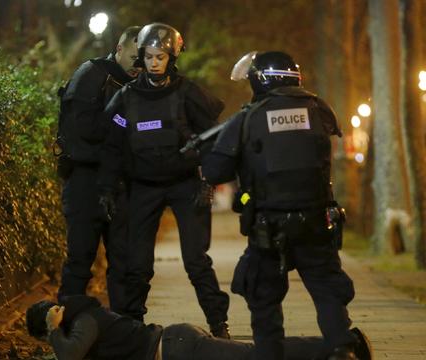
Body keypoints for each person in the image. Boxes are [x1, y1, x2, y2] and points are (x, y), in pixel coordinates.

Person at [201, 51, 359, 360]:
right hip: (317, 220)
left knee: (263, 296)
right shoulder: (319, 109)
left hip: (268, 226)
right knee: (328, 290)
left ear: (258, 81)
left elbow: (216, 171)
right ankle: (342, 349)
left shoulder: (248, 117)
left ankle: (269, 354)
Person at [98, 22, 230, 337]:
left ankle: (218, 323)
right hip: (143, 186)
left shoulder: (188, 93)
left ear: (172, 57)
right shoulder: (126, 98)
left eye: (161, 56)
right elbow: (112, 145)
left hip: (185, 184)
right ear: (141, 57)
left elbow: (213, 139)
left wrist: (208, 181)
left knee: (196, 261)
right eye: (149, 56)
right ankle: (132, 327)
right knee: (138, 264)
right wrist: (107, 188)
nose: (155, 62)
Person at [56, 26, 141, 313]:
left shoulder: (142, 83)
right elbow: (81, 128)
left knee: (125, 264)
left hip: (122, 184)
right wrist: (119, 132)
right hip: (86, 180)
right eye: (133, 57)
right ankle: (67, 332)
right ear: (119, 50)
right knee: (80, 260)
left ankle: (128, 333)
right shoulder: (92, 74)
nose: (137, 65)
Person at [25, 296, 372, 360]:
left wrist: (55, 331)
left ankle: (342, 344)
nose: (48, 344)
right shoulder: (84, 320)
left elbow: (69, 355)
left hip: (178, 346)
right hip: (177, 345)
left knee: (257, 354)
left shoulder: (83, 321)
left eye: (44, 338)